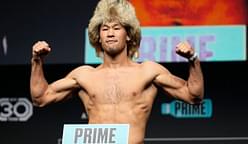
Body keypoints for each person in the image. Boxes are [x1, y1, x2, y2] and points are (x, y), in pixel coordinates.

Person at [30, 0, 204, 143]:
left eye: (116, 28)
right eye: (105, 29)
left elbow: (193, 96)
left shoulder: (148, 72)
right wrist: (37, 61)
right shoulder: (84, 75)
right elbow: (40, 98)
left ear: (128, 35)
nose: (110, 34)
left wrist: (192, 59)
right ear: (98, 36)